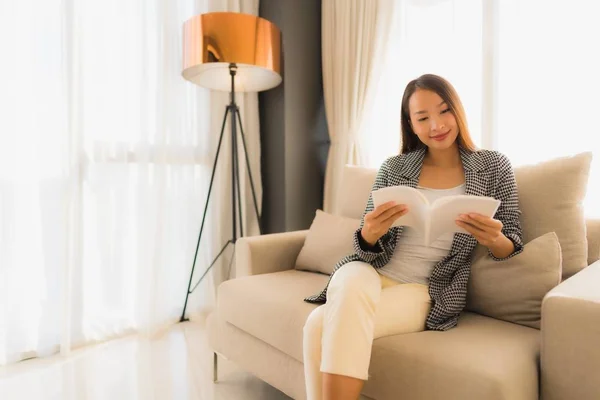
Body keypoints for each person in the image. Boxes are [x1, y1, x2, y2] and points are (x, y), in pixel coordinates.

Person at [302, 74, 524, 400]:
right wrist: (369, 234)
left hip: (423, 288)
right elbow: (363, 249)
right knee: (348, 283)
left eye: (444, 111)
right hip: (368, 272)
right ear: (412, 124)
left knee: (318, 326)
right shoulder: (394, 168)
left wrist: (494, 238)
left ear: (458, 111)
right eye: (423, 117)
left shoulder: (493, 166)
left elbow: (512, 243)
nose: (436, 124)